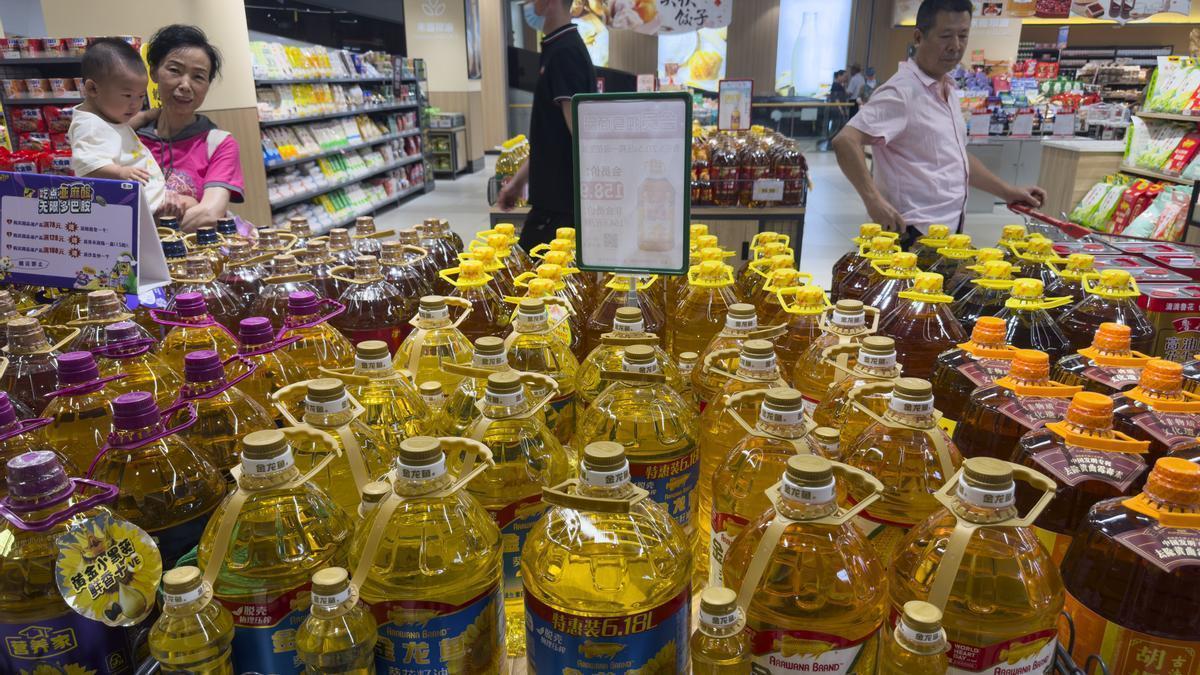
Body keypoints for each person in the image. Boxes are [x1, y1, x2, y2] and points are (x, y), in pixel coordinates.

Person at [831, 0, 1044, 246]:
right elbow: (845, 141)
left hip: (947, 232)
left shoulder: (947, 89)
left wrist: (1007, 191)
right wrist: (873, 200)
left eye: (963, 35)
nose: (955, 46)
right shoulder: (901, 92)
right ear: (919, 37)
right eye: (945, 36)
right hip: (909, 234)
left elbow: (956, 160)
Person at [497, 0, 597, 250]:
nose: (528, 6)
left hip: (559, 209)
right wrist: (518, 182)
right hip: (553, 204)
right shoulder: (557, 48)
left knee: (538, 282)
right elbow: (553, 139)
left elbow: (581, 136)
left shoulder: (565, 52)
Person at [137, 24, 251, 234]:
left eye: (198, 77)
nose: (185, 85)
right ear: (153, 72)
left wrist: (146, 225)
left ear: (207, 85)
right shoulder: (132, 138)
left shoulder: (219, 144)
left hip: (197, 261)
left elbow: (209, 214)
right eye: (174, 70)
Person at [68, 38, 166, 213]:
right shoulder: (89, 126)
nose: (135, 104)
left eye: (141, 96)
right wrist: (120, 173)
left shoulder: (108, 116)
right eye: (127, 95)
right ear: (92, 89)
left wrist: (150, 114)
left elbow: (121, 129)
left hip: (148, 200)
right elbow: (88, 165)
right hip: (138, 208)